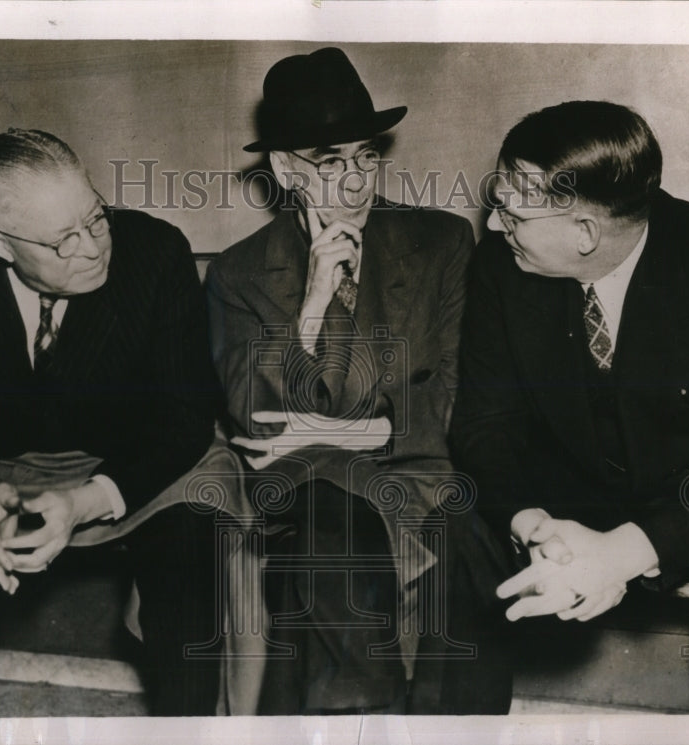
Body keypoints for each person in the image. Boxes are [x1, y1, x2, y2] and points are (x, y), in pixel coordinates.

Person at [450, 100, 689, 713]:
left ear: (585, 233)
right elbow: (486, 424)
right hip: (563, 503)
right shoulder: (500, 264)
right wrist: (536, 527)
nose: (493, 221)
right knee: (440, 521)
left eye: (510, 209)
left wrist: (627, 551)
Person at [0, 129, 224, 717]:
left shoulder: (157, 252)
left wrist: (86, 501)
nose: (92, 247)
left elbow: (184, 417)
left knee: (193, 544)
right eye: (62, 241)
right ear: (1, 246)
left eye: (96, 218)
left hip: (123, 467)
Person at [206, 47, 512, 715]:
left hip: (421, 469)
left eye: (366, 155)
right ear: (286, 169)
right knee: (326, 534)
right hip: (305, 486)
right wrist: (311, 306)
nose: (355, 179)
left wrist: (352, 425)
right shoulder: (238, 273)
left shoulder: (440, 243)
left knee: (470, 548)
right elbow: (255, 422)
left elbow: (457, 390)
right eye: (329, 160)